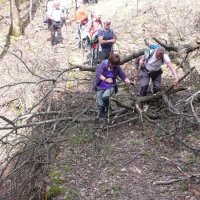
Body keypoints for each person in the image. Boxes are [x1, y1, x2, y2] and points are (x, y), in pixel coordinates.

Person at [94, 53, 133, 127]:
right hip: (100, 85)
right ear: (109, 61)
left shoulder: (116, 67)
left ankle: (107, 109)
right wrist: (106, 79)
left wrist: (129, 81)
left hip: (110, 86)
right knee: (100, 104)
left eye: (115, 65)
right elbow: (99, 74)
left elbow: (123, 76)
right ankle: (102, 118)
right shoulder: (104, 63)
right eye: (112, 64)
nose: (113, 66)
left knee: (105, 97)